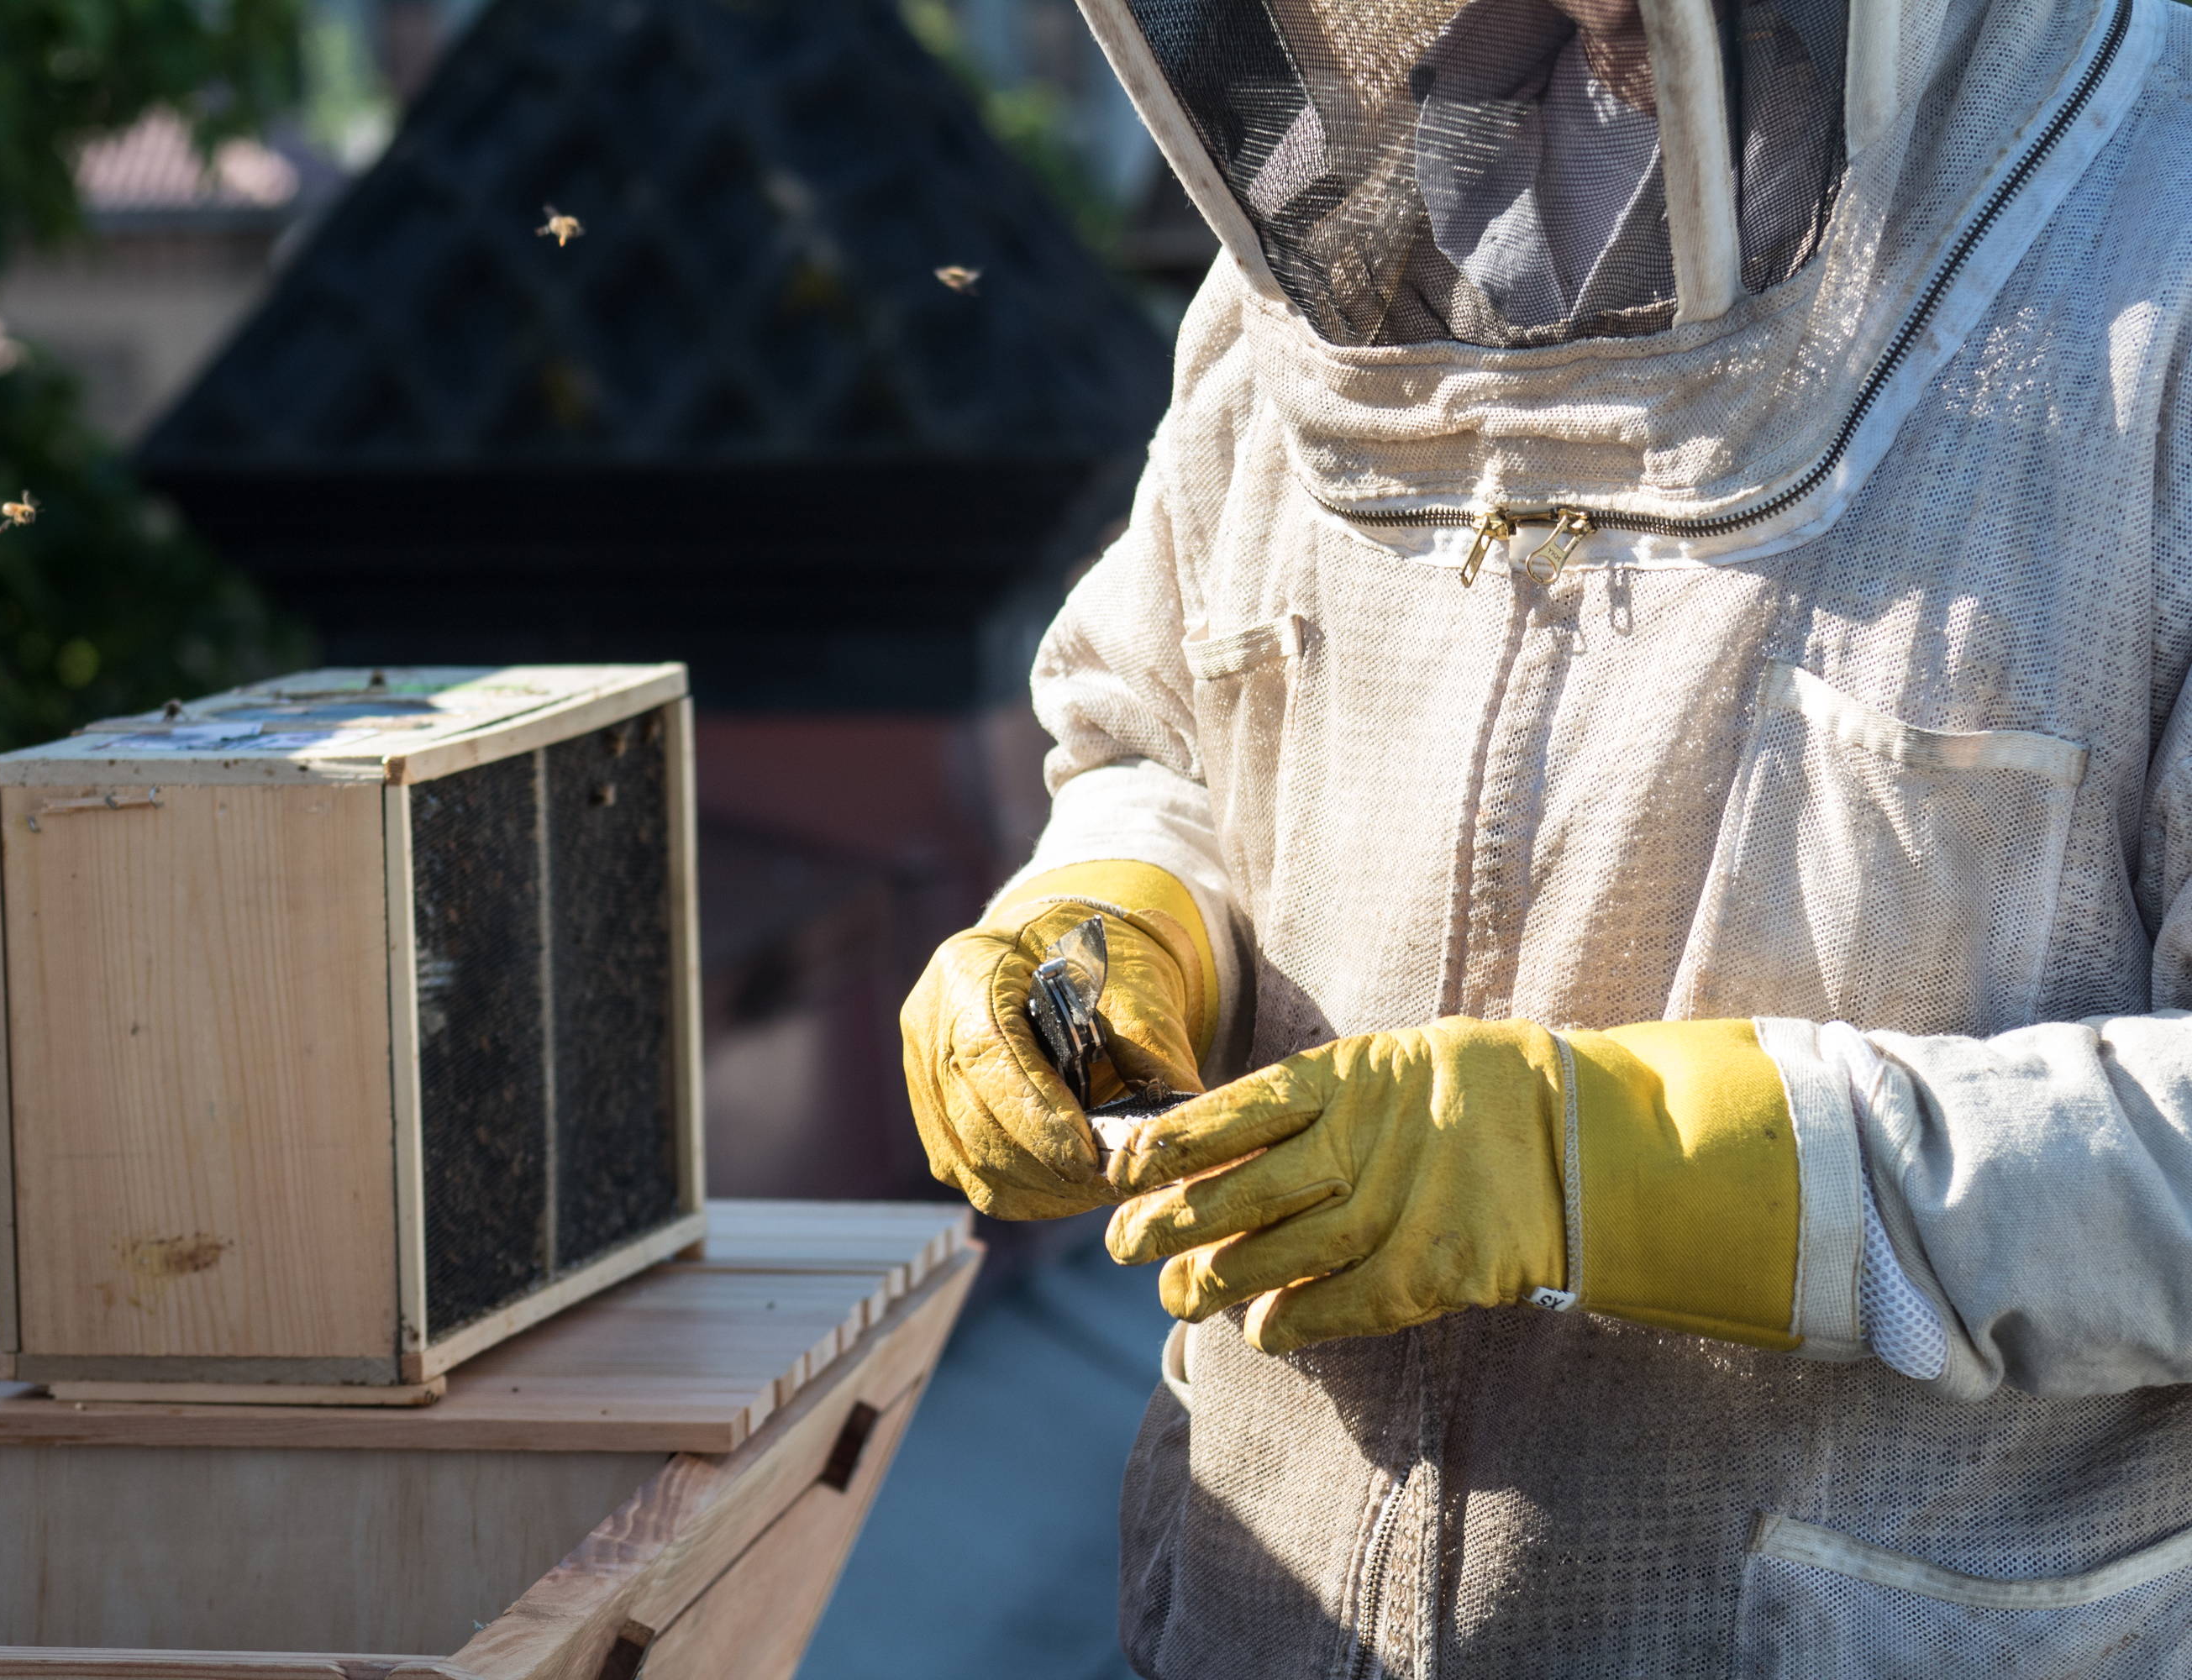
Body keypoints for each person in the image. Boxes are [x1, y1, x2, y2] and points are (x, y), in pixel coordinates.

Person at [898, 0, 2192, 1668]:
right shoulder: (1344, 202)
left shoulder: (2150, 235)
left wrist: (1641, 1165)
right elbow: (1172, 724)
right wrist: (1119, 913)